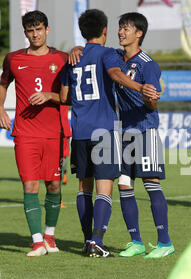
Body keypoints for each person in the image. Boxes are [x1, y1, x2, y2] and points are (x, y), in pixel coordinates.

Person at [69, 12, 173, 258]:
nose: (120, 32)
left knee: (150, 183)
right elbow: (93, 48)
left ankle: (165, 242)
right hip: (122, 132)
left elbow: (154, 102)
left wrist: (151, 98)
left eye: (126, 28)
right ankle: (136, 241)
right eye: (119, 27)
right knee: (125, 185)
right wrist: (76, 47)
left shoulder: (148, 63)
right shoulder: (113, 56)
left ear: (139, 33)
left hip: (145, 128)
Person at [0, 10, 69, 257]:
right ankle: (37, 242)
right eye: (30, 30)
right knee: (30, 186)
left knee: (55, 185)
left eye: (39, 29)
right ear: (25, 33)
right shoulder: (13, 59)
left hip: (55, 133)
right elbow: (3, 84)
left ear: (47, 30)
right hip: (25, 134)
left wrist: (50, 96)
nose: (35, 34)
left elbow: (70, 98)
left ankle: (49, 235)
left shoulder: (62, 59)